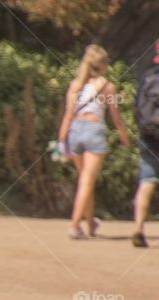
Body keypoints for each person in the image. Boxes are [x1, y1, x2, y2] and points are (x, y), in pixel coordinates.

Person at [57, 44, 130, 239]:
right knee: (87, 182)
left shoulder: (75, 86)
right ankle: (74, 225)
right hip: (93, 130)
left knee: (84, 181)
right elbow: (115, 117)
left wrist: (61, 141)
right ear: (103, 65)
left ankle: (90, 223)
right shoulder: (107, 87)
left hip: (75, 132)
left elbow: (68, 115)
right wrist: (124, 136)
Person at [132, 39, 159, 248]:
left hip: (148, 136)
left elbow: (137, 108)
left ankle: (139, 229)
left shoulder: (146, 76)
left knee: (147, 181)